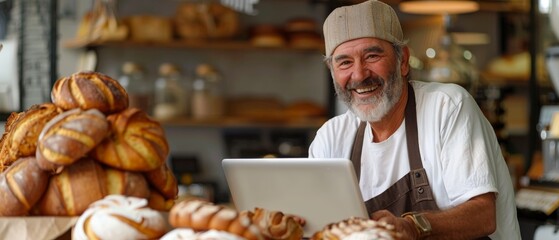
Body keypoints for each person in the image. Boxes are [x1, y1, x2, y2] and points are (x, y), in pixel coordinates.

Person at [308, 0, 521, 239]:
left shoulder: (447, 107)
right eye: (345, 62)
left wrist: (412, 226)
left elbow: (483, 216)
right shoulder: (331, 138)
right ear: (333, 73)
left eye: (372, 56)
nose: (359, 74)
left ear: (403, 61)